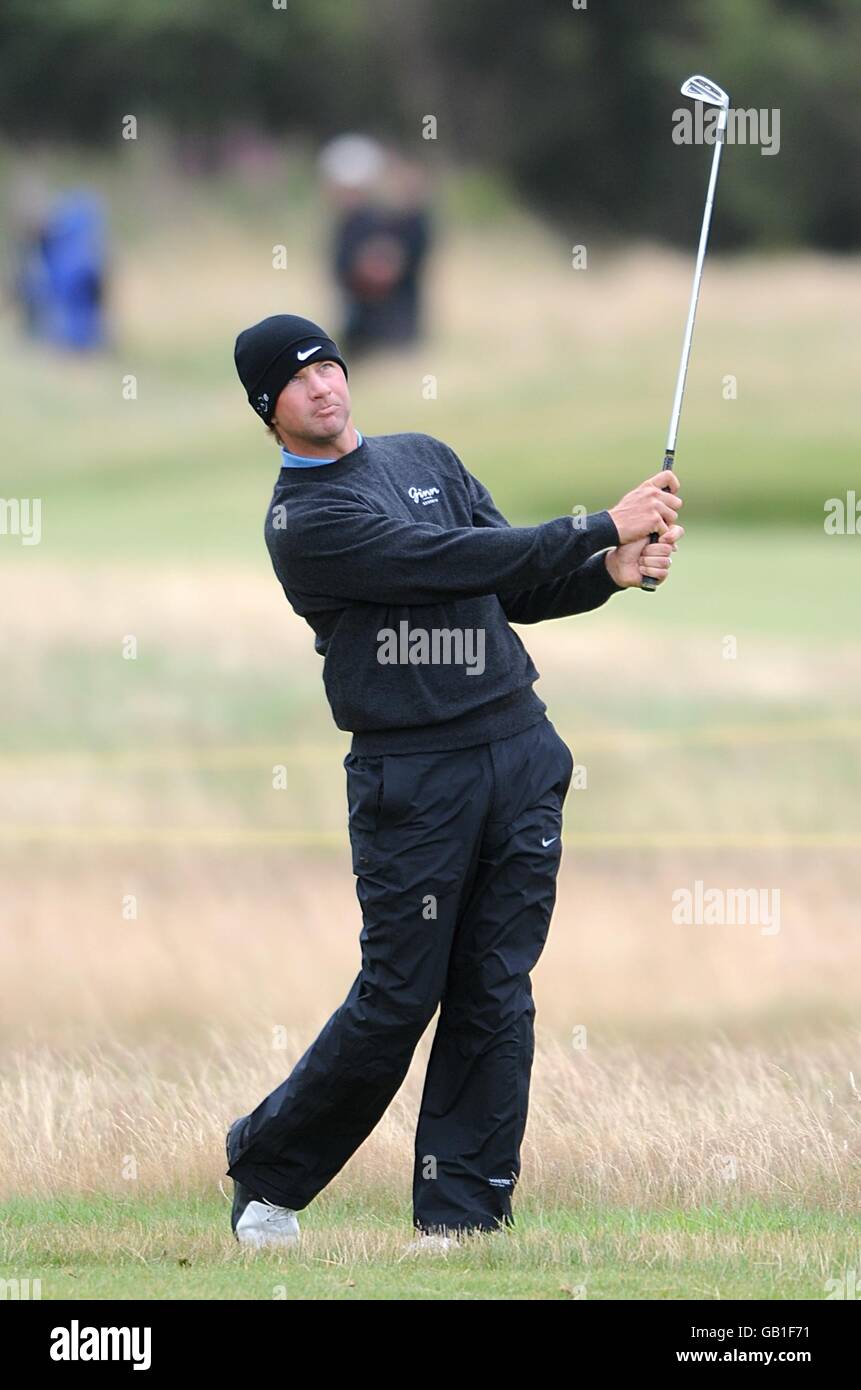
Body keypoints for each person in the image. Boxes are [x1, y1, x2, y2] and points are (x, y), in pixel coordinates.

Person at [227, 313, 683, 1250]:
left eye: (328, 364)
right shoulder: (304, 522)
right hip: (413, 777)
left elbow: (510, 585)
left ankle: (463, 1215)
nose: (322, 384)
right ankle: (268, 1172)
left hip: (518, 747)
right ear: (267, 410)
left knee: (495, 985)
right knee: (399, 994)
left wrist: (605, 566)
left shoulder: (422, 453)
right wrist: (596, 522)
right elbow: (447, 565)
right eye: (295, 379)